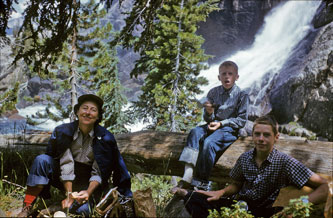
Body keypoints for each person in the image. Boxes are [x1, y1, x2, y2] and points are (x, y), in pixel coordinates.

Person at [174, 115, 328, 218]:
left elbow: (324, 187)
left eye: (266, 135)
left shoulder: (285, 162)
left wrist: (298, 206)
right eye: (257, 134)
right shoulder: (245, 158)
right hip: (240, 205)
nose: (261, 139)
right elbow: (236, 184)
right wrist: (221, 192)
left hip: (267, 210)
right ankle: (186, 193)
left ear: (276, 137)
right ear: (252, 136)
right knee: (194, 200)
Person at [17, 94, 132, 217]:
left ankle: (57, 207)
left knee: (84, 211)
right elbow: (66, 163)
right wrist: (69, 194)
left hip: (88, 180)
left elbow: (99, 171)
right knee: (42, 160)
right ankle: (27, 206)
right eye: (85, 108)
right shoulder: (63, 131)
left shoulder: (105, 138)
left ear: (98, 116)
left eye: (93, 110)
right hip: (64, 173)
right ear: (77, 111)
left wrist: (88, 192)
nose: (88, 112)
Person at [174, 60, 249, 191]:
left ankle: (201, 182)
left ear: (236, 77)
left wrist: (221, 123)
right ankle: (188, 173)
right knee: (195, 132)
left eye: (230, 74)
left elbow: (242, 121)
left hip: (229, 130)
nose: (227, 76)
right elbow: (207, 119)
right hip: (214, 126)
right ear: (219, 77)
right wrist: (209, 113)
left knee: (209, 143)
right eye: (223, 74)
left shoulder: (242, 95)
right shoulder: (213, 93)